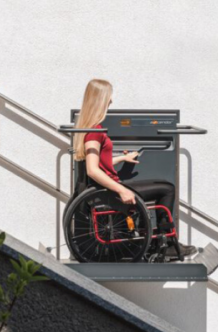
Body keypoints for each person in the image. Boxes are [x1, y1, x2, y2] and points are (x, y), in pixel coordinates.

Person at [73, 78, 197, 258]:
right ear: (101, 100)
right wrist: (121, 190)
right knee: (167, 189)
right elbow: (93, 169)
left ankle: (159, 240)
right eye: (109, 96)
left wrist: (123, 157)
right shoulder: (95, 131)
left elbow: (99, 162)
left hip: (106, 188)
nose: (111, 101)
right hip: (109, 191)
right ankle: (165, 243)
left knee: (163, 185)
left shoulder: (89, 129)